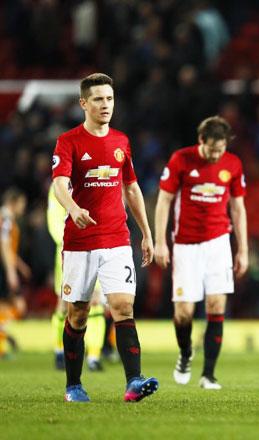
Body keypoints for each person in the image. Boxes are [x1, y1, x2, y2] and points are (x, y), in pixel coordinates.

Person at [51, 73, 158, 403]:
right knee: (78, 314)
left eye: (109, 99)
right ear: (84, 103)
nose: (105, 105)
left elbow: (131, 187)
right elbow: (58, 183)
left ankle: (134, 382)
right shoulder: (68, 141)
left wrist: (147, 233)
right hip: (81, 242)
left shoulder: (121, 142)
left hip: (116, 240)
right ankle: (73, 385)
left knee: (123, 307)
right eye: (98, 99)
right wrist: (73, 208)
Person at [154, 116, 248, 390]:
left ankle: (208, 374)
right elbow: (164, 201)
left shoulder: (233, 164)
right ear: (201, 142)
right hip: (185, 245)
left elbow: (238, 208)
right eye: (211, 150)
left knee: (216, 306)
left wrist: (242, 249)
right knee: (183, 313)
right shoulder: (181, 160)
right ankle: (185, 354)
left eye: (221, 150)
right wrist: (160, 241)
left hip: (218, 244)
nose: (216, 155)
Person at [47, 184, 106, 371]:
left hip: (95, 247)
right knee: (65, 304)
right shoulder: (60, 182)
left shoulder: (95, 176)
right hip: (68, 249)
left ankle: (94, 356)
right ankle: (59, 350)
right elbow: (54, 217)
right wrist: (66, 240)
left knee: (96, 301)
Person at [0, 187, 28, 359]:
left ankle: (3, 343)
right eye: (22, 203)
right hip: (3, 268)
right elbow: (4, 244)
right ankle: (2, 345)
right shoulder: (7, 218)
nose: (23, 207)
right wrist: (11, 271)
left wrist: (20, 265)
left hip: (6, 265)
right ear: (14, 202)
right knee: (15, 306)